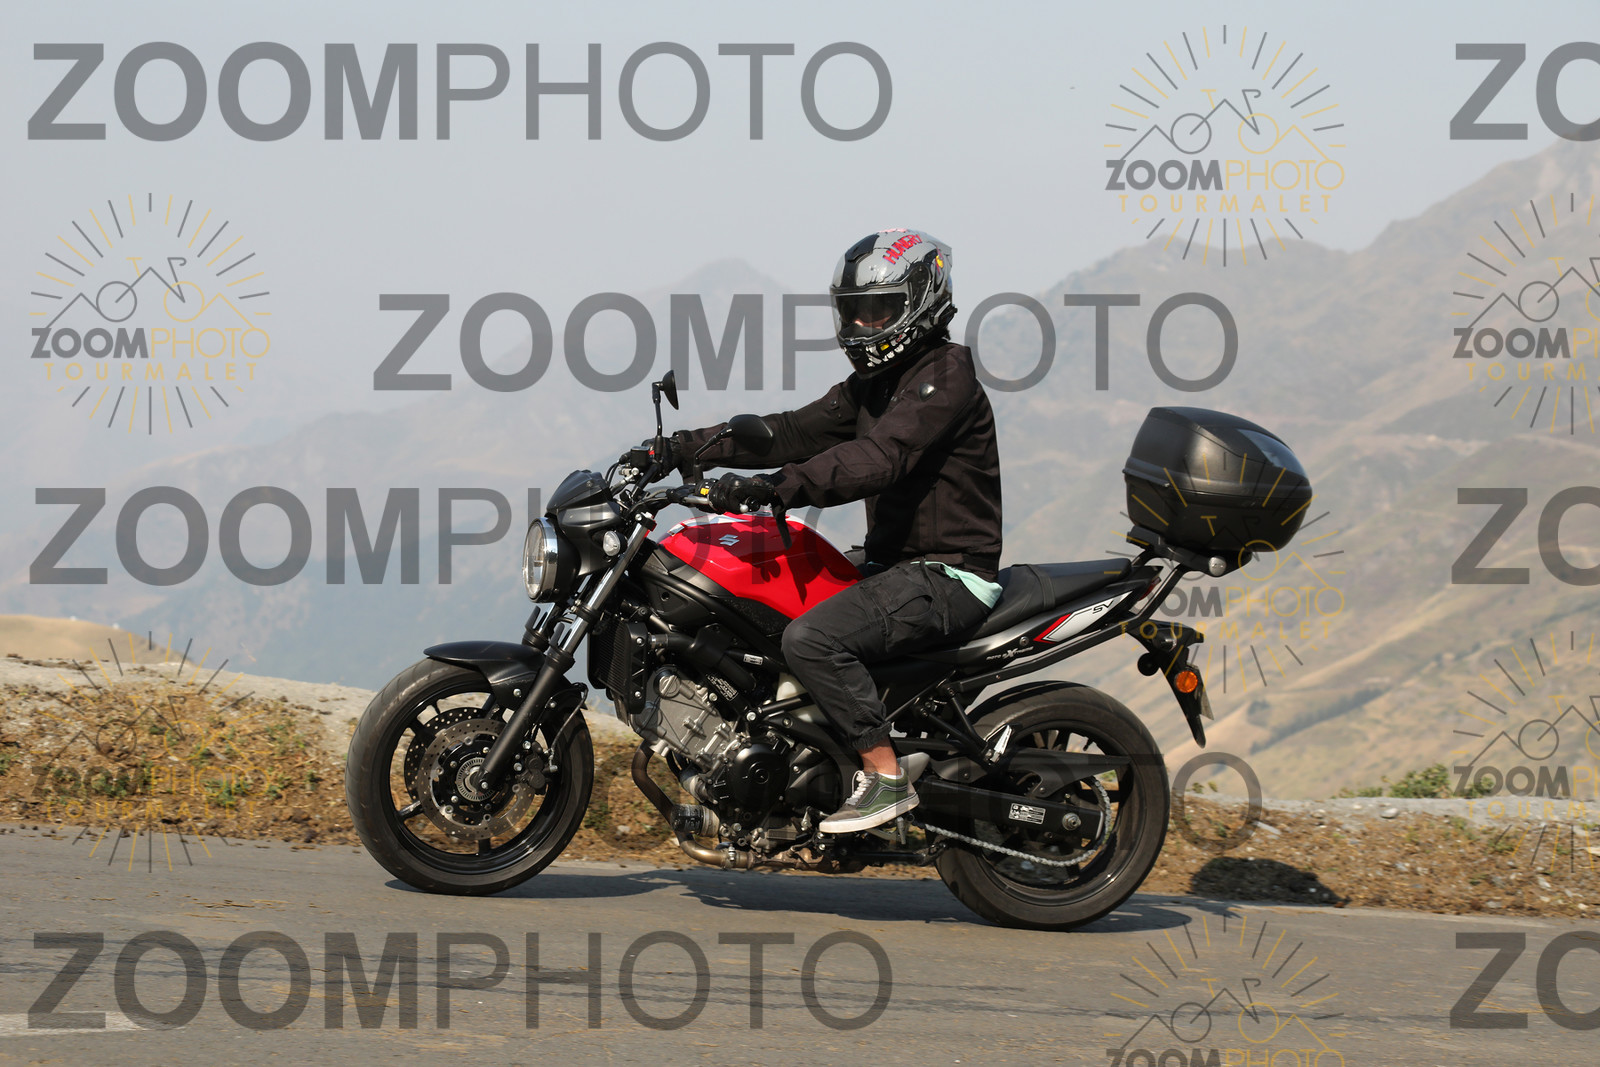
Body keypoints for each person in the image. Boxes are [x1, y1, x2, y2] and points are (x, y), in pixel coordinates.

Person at [665, 229, 1004, 833]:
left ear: (922, 301)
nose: (864, 325)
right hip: (893, 566)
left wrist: (778, 488)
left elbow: (880, 458)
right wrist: (682, 448)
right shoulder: (876, 384)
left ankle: (884, 777)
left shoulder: (944, 376)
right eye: (854, 311)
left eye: (880, 310)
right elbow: (792, 431)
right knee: (767, 614)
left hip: (948, 574)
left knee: (812, 639)